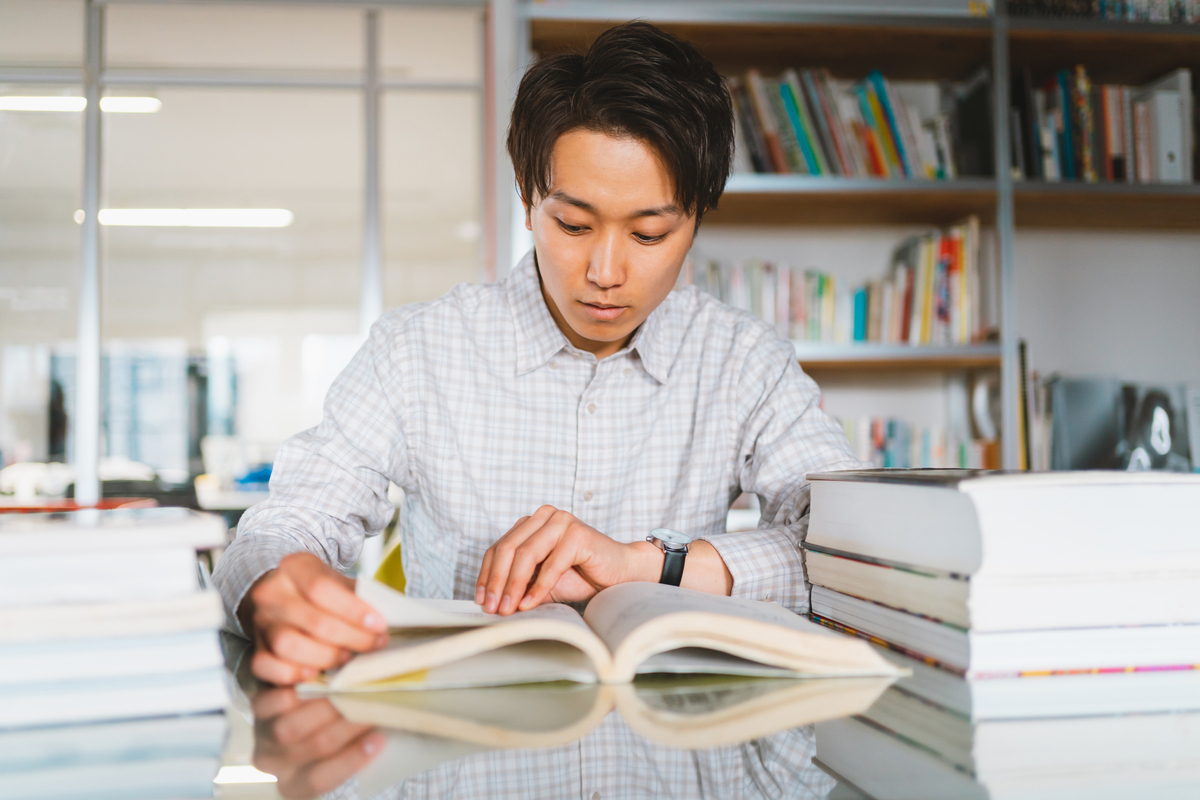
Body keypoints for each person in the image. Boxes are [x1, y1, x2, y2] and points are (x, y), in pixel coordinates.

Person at [212, 21, 859, 686]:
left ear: (697, 215)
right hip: (472, 756)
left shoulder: (742, 362)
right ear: (527, 197)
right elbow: (293, 518)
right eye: (573, 225)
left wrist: (647, 565)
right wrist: (277, 585)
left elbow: (855, 553)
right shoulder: (418, 352)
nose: (605, 270)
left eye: (649, 232)